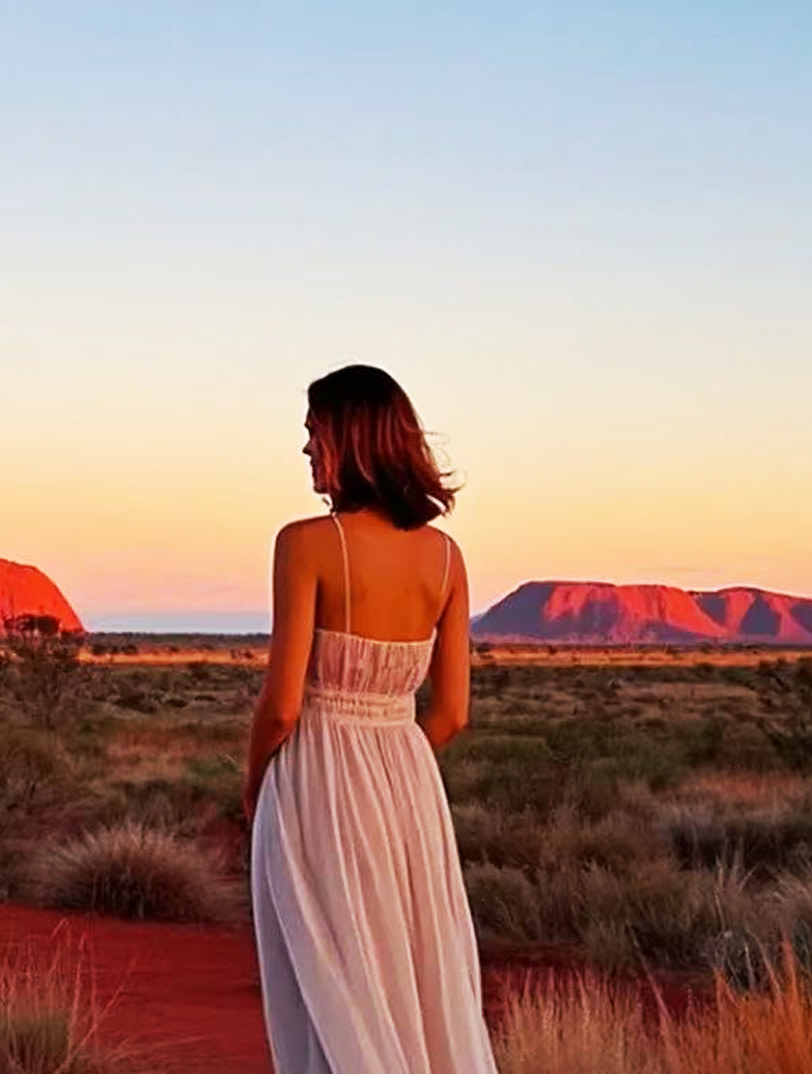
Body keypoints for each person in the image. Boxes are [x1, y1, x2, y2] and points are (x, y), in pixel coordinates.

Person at [243, 364, 497, 1073]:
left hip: (316, 780)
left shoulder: (306, 543)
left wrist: (255, 781)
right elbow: (450, 713)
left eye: (312, 433)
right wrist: (391, 763)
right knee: (412, 975)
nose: (305, 451)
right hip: (408, 787)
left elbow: (284, 704)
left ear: (349, 437)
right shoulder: (446, 558)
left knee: (326, 975)